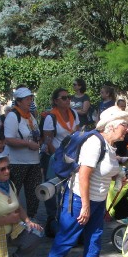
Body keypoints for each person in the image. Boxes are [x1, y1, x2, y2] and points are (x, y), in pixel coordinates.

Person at [43, 106, 128, 257]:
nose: (127, 129)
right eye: (124, 125)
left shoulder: (109, 146)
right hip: (79, 199)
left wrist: (119, 173)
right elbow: (84, 175)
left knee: (95, 236)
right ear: (111, 126)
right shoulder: (94, 143)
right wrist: (85, 206)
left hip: (97, 200)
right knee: (67, 235)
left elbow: (106, 168)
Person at [41, 88, 80, 233]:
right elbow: (48, 140)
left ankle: (65, 218)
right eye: (64, 98)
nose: (68, 100)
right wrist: (58, 158)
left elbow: (77, 133)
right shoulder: (51, 117)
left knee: (68, 189)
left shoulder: (73, 113)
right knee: (52, 187)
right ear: (56, 101)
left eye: (68, 97)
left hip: (71, 157)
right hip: (55, 157)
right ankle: (52, 218)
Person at [3, 87, 41, 218]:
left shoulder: (30, 116)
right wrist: (27, 144)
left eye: (31, 98)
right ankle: (12, 219)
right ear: (18, 102)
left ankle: (31, 218)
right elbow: (8, 139)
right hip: (17, 162)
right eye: (26, 99)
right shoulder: (13, 117)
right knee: (13, 193)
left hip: (34, 161)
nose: (30, 101)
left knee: (34, 193)